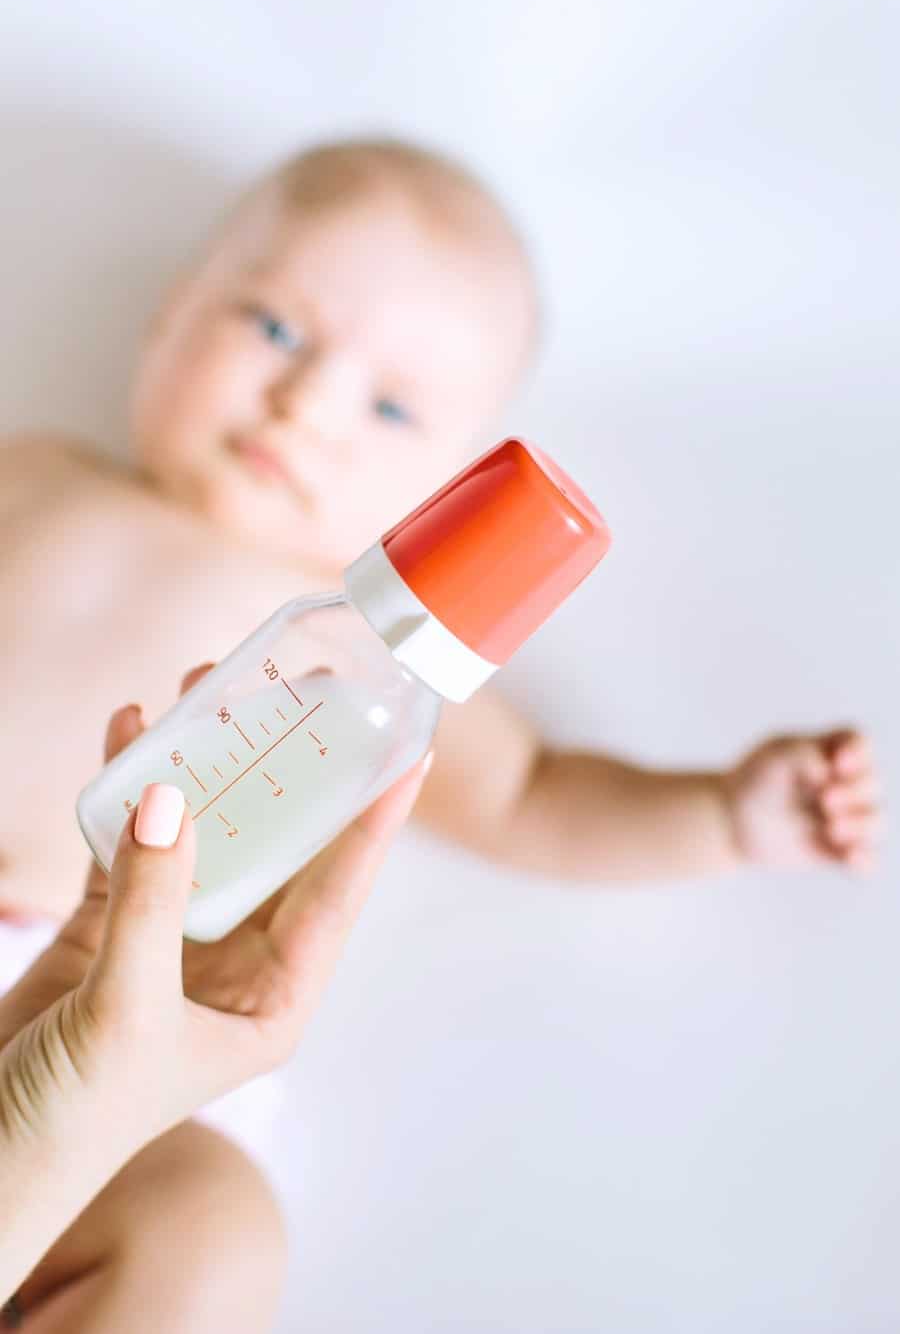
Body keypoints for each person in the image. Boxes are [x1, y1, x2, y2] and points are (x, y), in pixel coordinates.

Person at [0, 136, 881, 1329]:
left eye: (392, 404)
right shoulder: (35, 474)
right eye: (270, 327)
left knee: (212, 1230)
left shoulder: (373, 669)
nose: (304, 402)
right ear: (169, 313)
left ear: (447, 499)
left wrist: (722, 812)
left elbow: (536, 795)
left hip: (141, 1019)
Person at [1, 693, 432, 1329]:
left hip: (105, 981)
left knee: (208, 1233)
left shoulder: (368, 667)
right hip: (83, 995)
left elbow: (525, 785)